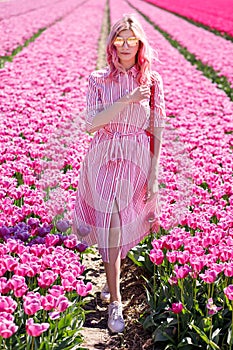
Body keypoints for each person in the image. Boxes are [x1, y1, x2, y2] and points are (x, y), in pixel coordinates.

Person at [72, 13, 166, 333]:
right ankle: (116, 303)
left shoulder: (152, 81)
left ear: (139, 42)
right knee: (111, 224)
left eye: (131, 38)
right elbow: (91, 123)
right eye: (119, 38)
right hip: (103, 154)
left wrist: (153, 175)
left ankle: (110, 279)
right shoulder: (98, 79)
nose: (125, 44)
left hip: (136, 157)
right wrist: (127, 99)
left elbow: (157, 128)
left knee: (124, 228)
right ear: (112, 42)